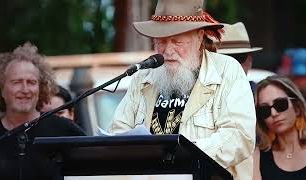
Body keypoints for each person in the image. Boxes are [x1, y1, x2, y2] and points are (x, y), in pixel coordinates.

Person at [107, 0, 256, 180]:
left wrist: (183, 156)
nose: (168, 50)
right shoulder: (142, 77)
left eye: (177, 41)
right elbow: (118, 134)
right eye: (161, 41)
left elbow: (239, 136)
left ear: (200, 37)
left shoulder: (227, 71)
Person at [0, 43, 86, 180]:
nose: (25, 89)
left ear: (41, 89)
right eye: (16, 82)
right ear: (2, 89)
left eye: (32, 82)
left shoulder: (62, 128)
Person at [253, 75, 306, 180]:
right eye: (265, 110)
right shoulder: (258, 156)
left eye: (280, 104)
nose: (274, 113)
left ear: (297, 108)